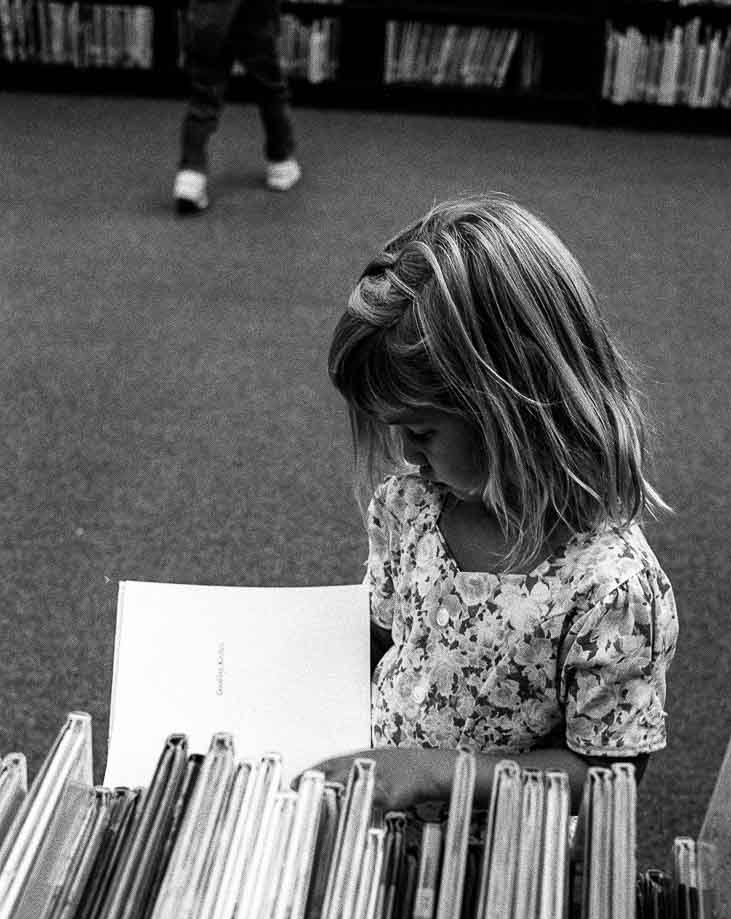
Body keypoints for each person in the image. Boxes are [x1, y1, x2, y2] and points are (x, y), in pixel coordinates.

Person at [311, 194, 678, 811]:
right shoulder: (407, 507)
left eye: (422, 431)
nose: (406, 453)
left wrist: (429, 772)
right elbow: (380, 642)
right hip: (379, 804)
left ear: (511, 409)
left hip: (504, 853)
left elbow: (607, 772)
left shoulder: (610, 590)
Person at [173, 0, 300, 215]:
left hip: (208, 17)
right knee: (269, 87)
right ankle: (280, 160)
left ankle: (190, 173)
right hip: (255, 13)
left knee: (204, 95)